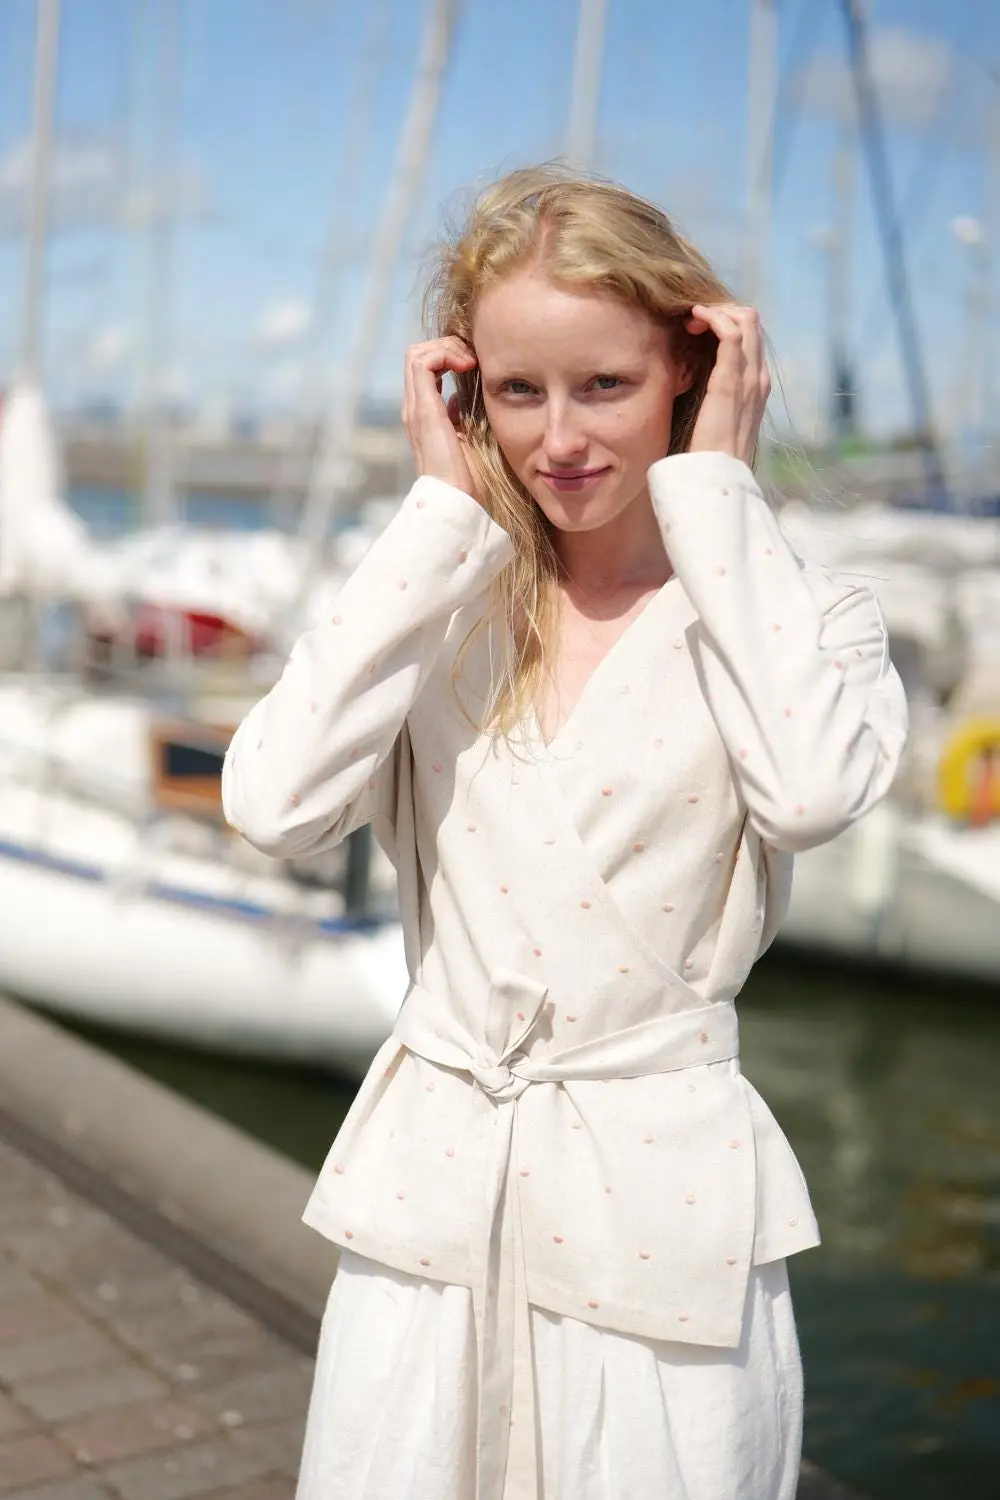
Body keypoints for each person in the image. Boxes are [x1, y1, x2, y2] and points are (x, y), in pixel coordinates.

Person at [222, 164, 909, 1500]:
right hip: (431, 1203)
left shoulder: (801, 616)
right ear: (463, 391)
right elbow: (272, 806)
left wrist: (718, 495)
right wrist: (439, 515)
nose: (560, 438)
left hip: (660, 1222)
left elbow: (812, 796)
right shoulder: (445, 599)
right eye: (518, 389)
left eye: (605, 384)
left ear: (692, 371)